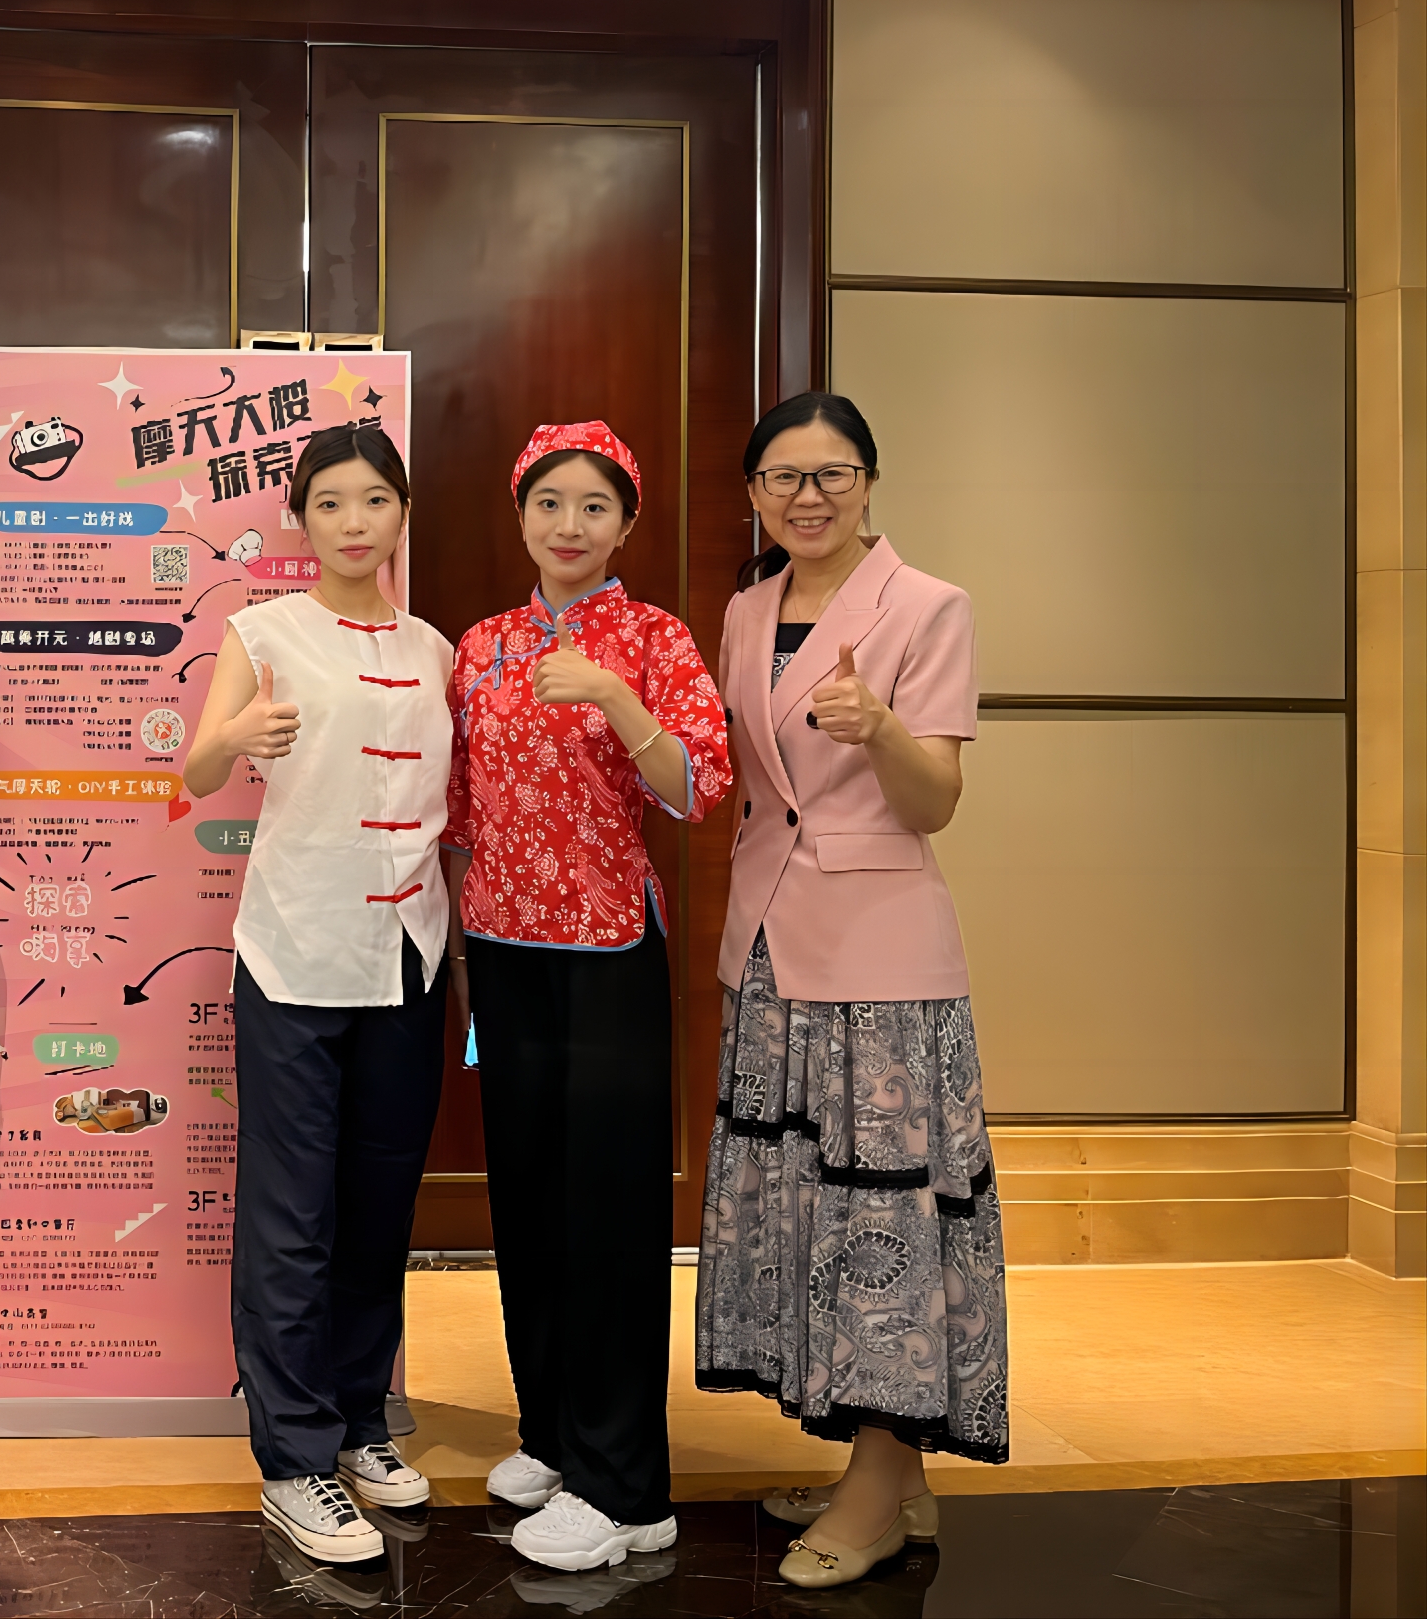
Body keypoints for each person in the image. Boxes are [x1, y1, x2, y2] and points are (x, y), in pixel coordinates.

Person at [695, 390, 1008, 1589]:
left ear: (870, 480)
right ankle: (894, 1469)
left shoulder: (928, 605)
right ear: (755, 494)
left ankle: (875, 1490)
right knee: (807, 1207)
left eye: (832, 473)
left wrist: (879, 725)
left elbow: (934, 802)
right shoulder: (747, 608)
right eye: (782, 476)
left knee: (884, 1216)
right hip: (770, 941)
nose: (808, 496)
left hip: (882, 958)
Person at [442, 421, 732, 1574]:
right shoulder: (482, 645)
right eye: (550, 501)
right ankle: (554, 1433)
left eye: (594, 505)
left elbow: (697, 786)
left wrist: (617, 695)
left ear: (626, 523)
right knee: (528, 1198)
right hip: (502, 950)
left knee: (609, 1210)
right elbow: (459, 808)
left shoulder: (654, 638)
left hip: (610, 950)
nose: (570, 523)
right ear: (520, 513)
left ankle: (626, 1486)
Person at [183, 420, 453, 1567]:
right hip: (294, 953)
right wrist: (239, 731)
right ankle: (294, 1457)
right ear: (300, 516)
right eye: (331, 501)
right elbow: (197, 769)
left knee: (379, 1206)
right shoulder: (262, 629)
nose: (354, 521)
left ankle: (356, 1419)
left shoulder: (435, 647)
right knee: (291, 1211)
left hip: (409, 952)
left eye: (374, 500)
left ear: (401, 513)